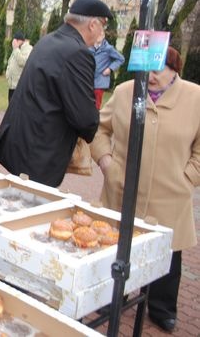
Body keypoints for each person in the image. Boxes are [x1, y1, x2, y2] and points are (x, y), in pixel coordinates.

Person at [90, 47, 200, 333]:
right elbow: (100, 129)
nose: (149, 77)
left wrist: (187, 178)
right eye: (144, 70)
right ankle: (114, 296)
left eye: (157, 70)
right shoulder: (126, 91)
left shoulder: (195, 97)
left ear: (174, 69)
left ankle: (162, 308)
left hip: (170, 195)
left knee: (168, 254)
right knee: (118, 246)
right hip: (123, 190)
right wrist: (106, 163)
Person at [0, 0, 110, 187]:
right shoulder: (77, 53)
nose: (102, 33)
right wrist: (91, 127)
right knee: (32, 212)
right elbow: (85, 118)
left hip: (21, 145)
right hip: (39, 156)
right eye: (103, 26)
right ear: (93, 25)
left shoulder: (49, 41)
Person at [89, 35, 125, 109]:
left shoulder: (108, 48)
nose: (99, 36)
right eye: (98, 33)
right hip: (88, 79)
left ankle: (95, 118)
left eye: (101, 34)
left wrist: (110, 68)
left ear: (103, 36)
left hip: (100, 81)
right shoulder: (88, 46)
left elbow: (121, 59)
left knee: (96, 104)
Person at [5, 31, 33, 102]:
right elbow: (10, 63)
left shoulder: (28, 49)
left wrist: (16, 49)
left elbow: (23, 62)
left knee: (17, 110)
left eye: (16, 41)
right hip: (12, 86)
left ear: (21, 40)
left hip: (20, 87)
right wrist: (8, 75)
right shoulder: (16, 49)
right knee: (11, 109)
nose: (14, 43)